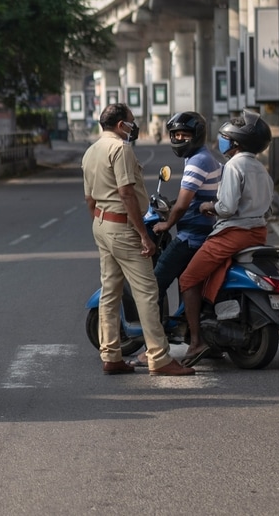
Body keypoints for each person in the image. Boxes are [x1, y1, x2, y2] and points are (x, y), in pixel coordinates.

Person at [82, 103, 194, 378]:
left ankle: (110, 354)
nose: (134, 126)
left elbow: (89, 199)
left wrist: (101, 223)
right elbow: (126, 193)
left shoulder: (91, 151)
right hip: (122, 228)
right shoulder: (120, 149)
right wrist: (143, 235)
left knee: (110, 292)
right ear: (121, 125)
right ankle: (159, 356)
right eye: (131, 121)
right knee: (147, 291)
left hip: (102, 224)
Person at [180, 108, 276, 368]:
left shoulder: (234, 166)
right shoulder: (261, 169)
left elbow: (226, 207)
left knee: (188, 280)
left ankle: (197, 341)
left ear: (235, 142)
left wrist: (206, 207)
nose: (220, 142)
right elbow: (269, 206)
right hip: (258, 232)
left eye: (224, 137)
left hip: (233, 233)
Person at [150, 111, 219, 300]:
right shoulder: (203, 157)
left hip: (191, 237)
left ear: (197, 135)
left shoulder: (197, 161)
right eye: (176, 135)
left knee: (155, 282)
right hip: (201, 231)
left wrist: (166, 224)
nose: (180, 138)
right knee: (185, 280)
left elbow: (182, 206)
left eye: (185, 135)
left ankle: (154, 329)